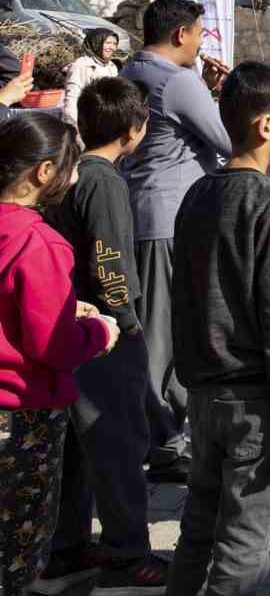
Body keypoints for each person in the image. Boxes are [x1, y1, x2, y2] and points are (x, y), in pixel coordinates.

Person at [167, 62, 270, 596]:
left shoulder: (199, 193)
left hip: (203, 395)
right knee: (243, 548)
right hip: (253, 403)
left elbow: (185, 298)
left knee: (196, 534)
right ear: (265, 124)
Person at [36, 79, 166, 594]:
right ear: (135, 131)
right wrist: (126, 320)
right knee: (118, 444)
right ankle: (126, 554)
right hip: (104, 335)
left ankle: (66, 548)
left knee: (77, 447)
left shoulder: (71, 175)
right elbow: (110, 261)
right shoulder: (105, 182)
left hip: (70, 327)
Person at [0, 113, 116, 596]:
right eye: (70, 166)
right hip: (22, 416)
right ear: (43, 173)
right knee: (16, 550)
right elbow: (53, 345)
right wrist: (97, 333)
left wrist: (69, 306)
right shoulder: (40, 240)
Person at [120, 0, 230, 482]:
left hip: (142, 209)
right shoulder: (180, 81)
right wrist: (215, 97)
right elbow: (227, 140)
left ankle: (158, 433)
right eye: (201, 32)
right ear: (181, 34)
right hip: (170, 215)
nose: (203, 40)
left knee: (151, 329)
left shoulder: (132, 69)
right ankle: (164, 442)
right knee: (164, 335)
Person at [61, 28, 119, 127]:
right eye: (108, 43)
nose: (112, 47)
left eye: (114, 44)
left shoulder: (111, 66)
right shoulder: (82, 65)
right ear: (96, 43)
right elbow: (72, 98)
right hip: (87, 123)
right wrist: (73, 127)